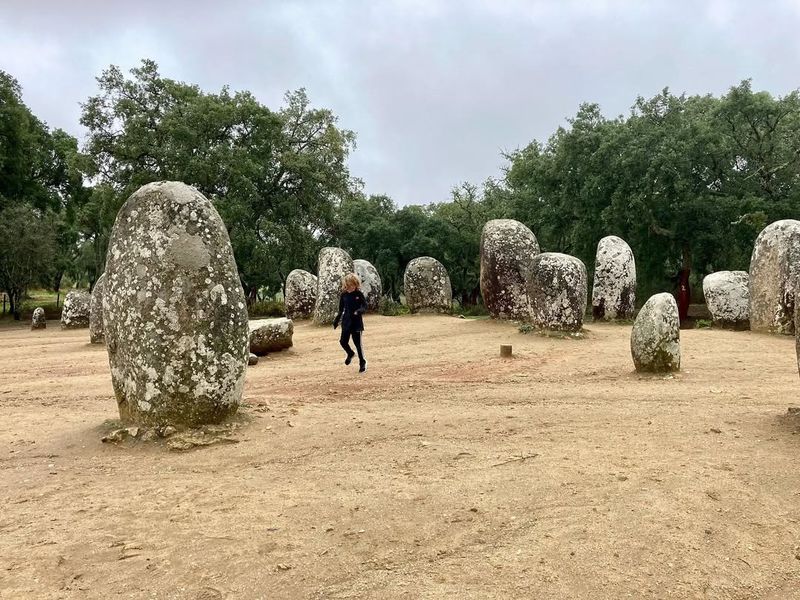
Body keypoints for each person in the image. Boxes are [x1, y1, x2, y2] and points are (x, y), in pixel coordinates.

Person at [333, 273, 368, 373]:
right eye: (348, 285)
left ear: (356, 285)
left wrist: (359, 311)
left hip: (356, 322)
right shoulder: (343, 295)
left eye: (352, 285)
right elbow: (341, 310)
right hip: (346, 321)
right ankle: (350, 353)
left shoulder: (359, 294)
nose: (350, 287)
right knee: (343, 342)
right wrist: (336, 320)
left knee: (358, 344)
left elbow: (365, 306)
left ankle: (362, 362)